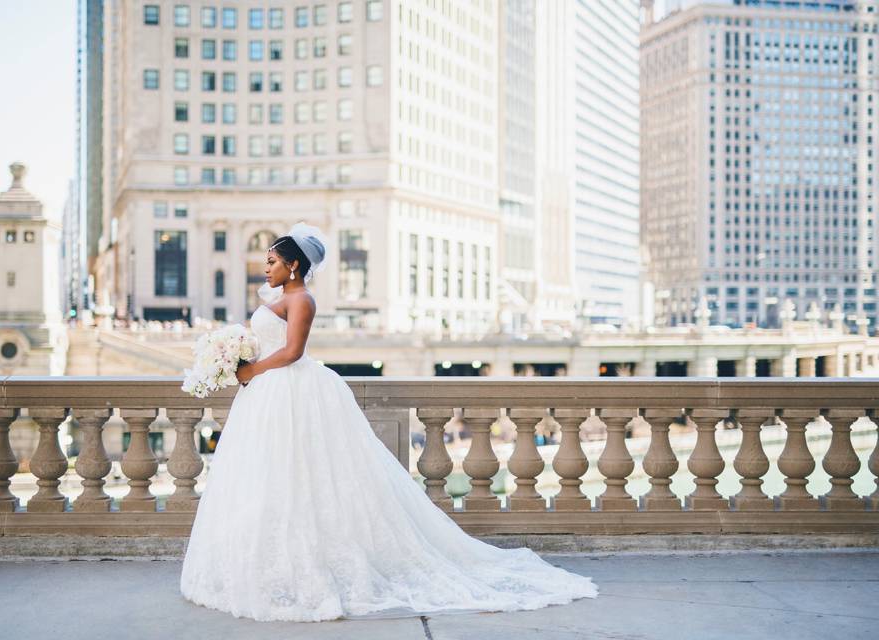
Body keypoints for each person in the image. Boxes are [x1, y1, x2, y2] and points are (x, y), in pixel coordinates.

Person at [179, 222, 598, 622]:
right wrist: (230, 354)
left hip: (289, 389)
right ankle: (269, 564)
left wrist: (250, 370)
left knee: (306, 476)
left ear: (293, 265)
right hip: (269, 395)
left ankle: (310, 567)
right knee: (270, 478)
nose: (265, 267)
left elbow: (292, 352)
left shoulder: (302, 300)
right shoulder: (279, 298)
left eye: (272, 261)